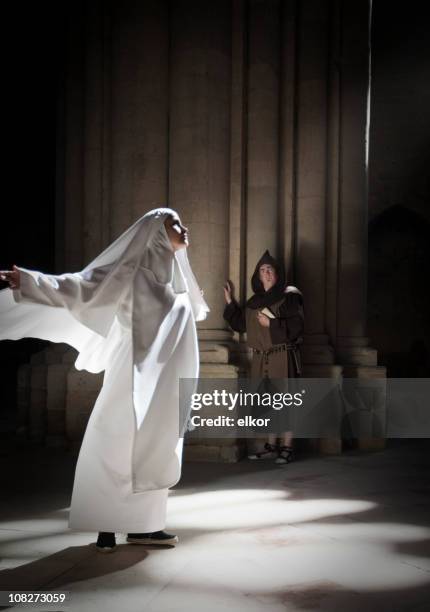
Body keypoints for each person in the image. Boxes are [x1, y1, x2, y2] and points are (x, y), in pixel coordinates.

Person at [0, 207, 209, 552]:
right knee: (114, 447)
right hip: (129, 380)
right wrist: (32, 281)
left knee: (156, 453)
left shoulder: (178, 282)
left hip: (165, 387)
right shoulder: (131, 273)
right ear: (157, 231)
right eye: (175, 224)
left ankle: (145, 526)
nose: (184, 229)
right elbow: (82, 287)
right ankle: (105, 526)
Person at [223, 250, 304, 464]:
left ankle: (287, 447)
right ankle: (271, 447)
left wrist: (273, 324)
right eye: (262, 270)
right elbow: (241, 324)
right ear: (257, 275)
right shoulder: (253, 302)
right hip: (260, 359)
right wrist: (230, 302)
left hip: (281, 356)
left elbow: (297, 327)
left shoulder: (290, 296)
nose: (266, 273)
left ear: (277, 274)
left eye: (270, 269)